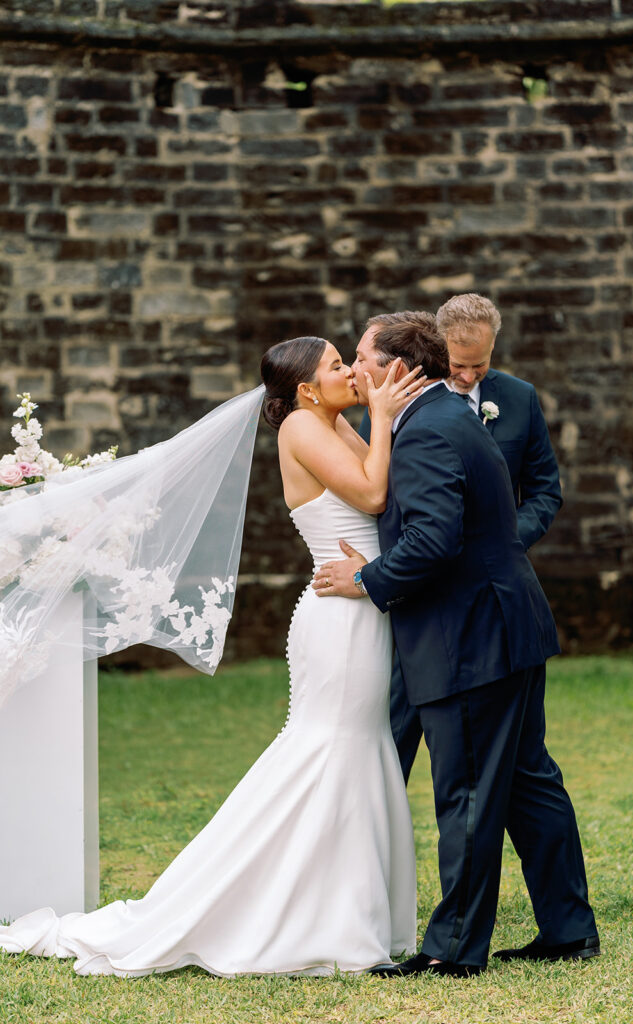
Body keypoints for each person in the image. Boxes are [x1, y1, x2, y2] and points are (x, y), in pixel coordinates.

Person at [0, 336, 425, 977]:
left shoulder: (335, 424)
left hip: (362, 605)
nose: (351, 372)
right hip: (338, 617)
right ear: (306, 389)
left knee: (356, 746)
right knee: (331, 746)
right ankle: (315, 917)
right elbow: (371, 497)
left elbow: (379, 486)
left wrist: (376, 419)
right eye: (337, 365)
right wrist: (386, 416)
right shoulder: (303, 429)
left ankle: (339, 910)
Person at [313, 312, 598, 977]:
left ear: (396, 367)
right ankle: (567, 930)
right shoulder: (443, 415)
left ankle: (453, 949)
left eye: (361, 357)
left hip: (470, 637)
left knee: (467, 790)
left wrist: (367, 579)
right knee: (526, 783)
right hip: (506, 626)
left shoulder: (425, 432)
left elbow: (433, 540)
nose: (355, 368)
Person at [380, 294, 564, 782]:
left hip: (486, 601)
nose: (467, 377)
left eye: (479, 365)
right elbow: (378, 485)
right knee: (390, 735)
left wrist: (501, 541)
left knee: (497, 757)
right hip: (418, 598)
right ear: (439, 347)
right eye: (458, 365)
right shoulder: (397, 399)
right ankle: (373, 819)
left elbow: (544, 491)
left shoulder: (520, 398)